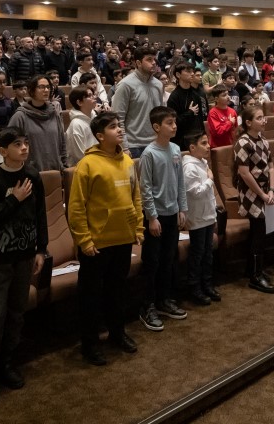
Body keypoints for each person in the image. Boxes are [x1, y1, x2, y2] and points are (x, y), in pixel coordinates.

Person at [0, 128, 48, 410]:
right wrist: (13, 199)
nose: (24, 148)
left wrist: (41, 248)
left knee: (17, 311)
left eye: (26, 143)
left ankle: (7, 363)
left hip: (25, 253)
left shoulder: (33, 176)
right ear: (3, 150)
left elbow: (40, 214)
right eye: (17, 144)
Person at [68, 112, 143, 366]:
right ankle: (90, 344)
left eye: (119, 126)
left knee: (117, 291)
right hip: (97, 244)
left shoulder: (128, 162)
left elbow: (136, 197)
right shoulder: (87, 165)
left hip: (123, 238)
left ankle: (117, 334)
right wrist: (84, 241)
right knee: (91, 296)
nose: (119, 130)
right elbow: (76, 207)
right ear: (100, 136)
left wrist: (138, 229)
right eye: (113, 127)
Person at [138, 107, 188, 331]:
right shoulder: (149, 153)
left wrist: (182, 208)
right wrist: (151, 217)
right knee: (152, 262)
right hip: (156, 217)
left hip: (172, 212)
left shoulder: (176, 149)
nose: (174, 126)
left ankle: (164, 299)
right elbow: (145, 188)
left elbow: (180, 183)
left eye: (175, 122)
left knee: (168, 259)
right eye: (169, 123)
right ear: (157, 127)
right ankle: (146, 306)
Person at [234, 103, 274, 294]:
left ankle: (254, 269)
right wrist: (261, 194)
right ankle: (255, 276)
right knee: (258, 232)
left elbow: (271, 166)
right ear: (248, 122)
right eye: (259, 118)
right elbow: (244, 173)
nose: (263, 120)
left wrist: (273, 190)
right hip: (251, 193)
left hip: (266, 191)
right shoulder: (243, 142)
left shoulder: (263, 140)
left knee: (260, 233)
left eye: (263, 117)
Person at [181, 131, 221, 306]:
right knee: (197, 254)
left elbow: (209, 195)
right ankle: (194, 288)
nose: (208, 146)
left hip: (208, 214)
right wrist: (210, 180)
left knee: (208, 252)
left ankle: (207, 284)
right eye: (203, 143)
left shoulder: (203, 162)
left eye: (208, 143)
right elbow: (195, 192)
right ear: (192, 147)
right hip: (197, 217)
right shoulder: (189, 167)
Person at [112, 47, 164, 158]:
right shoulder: (125, 85)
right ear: (139, 63)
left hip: (155, 143)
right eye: (149, 60)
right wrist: (124, 147)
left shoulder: (158, 84)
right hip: (133, 146)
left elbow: (160, 115)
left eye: (154, 59)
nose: (154, 63)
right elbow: (117, 118)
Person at [7, 75, 67, 171]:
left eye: (48, 87)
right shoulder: (20, 116)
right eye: (41, 87)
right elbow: (10, 146)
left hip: (55, 169)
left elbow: (62, 141)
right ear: (32, 90)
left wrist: (64, 164)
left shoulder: (54, 113)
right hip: (31, 173)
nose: (46, 90)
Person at [65, 85, 97, 166]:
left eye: (93, 94)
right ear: (79, 102)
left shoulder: (95, 118)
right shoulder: (76, 124)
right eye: (89, 96)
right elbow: (80, 155)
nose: (94, 97)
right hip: (82, 167)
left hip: (98, 162)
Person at [206, 83, 238, 149]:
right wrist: (230, 123)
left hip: (231, 145)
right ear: (216, 99)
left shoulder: (232, 111)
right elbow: (217, 132)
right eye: (224, 95)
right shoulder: (213, 113)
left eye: (227, 94)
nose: (228, 97)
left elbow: (236, 130)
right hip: (217, 147)